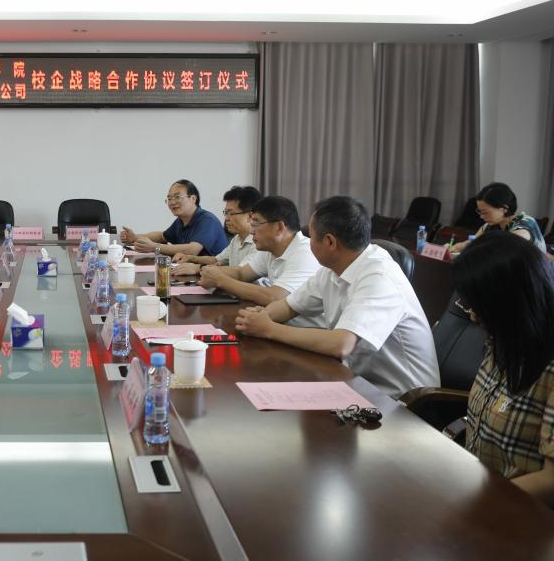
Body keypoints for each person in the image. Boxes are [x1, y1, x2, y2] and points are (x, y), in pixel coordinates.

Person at [236, 196, 440, 399]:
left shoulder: (380, 276)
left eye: (311, 237)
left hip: (404, 402)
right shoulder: (332, 269)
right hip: (358, 383)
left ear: (330, 242)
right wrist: (261, 316)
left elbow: (341, 344)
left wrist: (269, 329)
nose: (307, 242)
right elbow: (289, 306)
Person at [455, 232, 554, 505]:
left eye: (479, 307)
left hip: (518, 513)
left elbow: (550, 481)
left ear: (510, 303)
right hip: (478, 492)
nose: (473, 316)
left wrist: (477, 503)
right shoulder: (503, 341)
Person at [191, 196, 319, 306]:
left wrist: (220, 280)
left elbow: (274, 297)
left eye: (256, 224)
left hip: (301, 326)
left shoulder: (305, 252)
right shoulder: (270, 249)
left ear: (279, 227)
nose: (251, 231)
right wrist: (209, 271)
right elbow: (241, 273)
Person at [119, 179, 228, 257]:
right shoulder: (181, 220)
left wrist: (155, 247)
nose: (172, 202)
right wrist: (135, 237)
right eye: (169, 199)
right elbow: (162, 236)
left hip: (214, 276)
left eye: (177, 197)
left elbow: (192, 250)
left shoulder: (207, 220)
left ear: (193, 198)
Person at [173, 185, 262, 271]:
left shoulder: (259, 243)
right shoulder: (237, 239)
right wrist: (189, 258)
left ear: (250, 216)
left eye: (231, 213)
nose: (226, 218)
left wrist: (198, 268)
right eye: (226, 213)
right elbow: (216, 260)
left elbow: (240, 272)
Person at [451, 182, 547, 253]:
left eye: (485, 212)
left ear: (504, 208)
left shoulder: (523, 226)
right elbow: (472, 243)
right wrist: (456, 247)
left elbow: (503, 252)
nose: (481, 216)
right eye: (480, 211)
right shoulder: (490, 225)